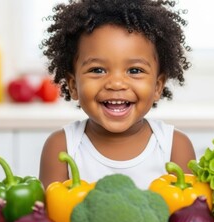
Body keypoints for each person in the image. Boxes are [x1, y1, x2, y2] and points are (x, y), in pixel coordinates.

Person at [39, 0, 195, 190]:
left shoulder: (174, 147)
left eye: (135, 70)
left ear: (157, 86)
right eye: (97, 70)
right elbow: (47, 217)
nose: (116, 84)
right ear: (73, 86)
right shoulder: (61, 147)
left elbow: (187, 216)